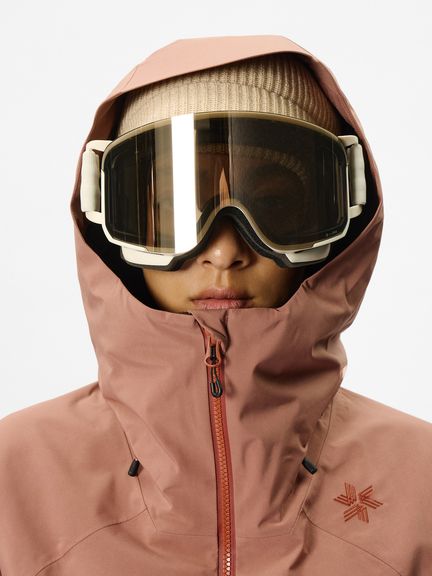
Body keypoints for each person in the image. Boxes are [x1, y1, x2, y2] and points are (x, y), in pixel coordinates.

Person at [0, 34, 431, 575]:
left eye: (275, 207)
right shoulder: (14, 478)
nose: (224, 251)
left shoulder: (421, 480)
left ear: (340, 224)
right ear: (108, 221)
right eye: (172, 210)